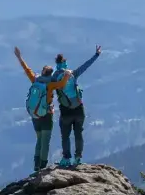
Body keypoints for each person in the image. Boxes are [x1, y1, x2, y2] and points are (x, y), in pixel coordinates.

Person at [14, 46, 70, 174]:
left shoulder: (35, 80)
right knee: (45, 141)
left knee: (39, 140)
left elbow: (26, 69)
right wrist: (66, 75)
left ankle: (36, 166)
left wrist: (19, 57)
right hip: (46, 116)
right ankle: (42, 167)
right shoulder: (50, 84)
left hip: (34, 116)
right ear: (50, 74)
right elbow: (61, 85)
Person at [52, 45, 102, 168]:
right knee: (78, 134)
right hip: (79, 109)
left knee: (65, 136)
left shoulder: (54, 77)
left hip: (65, 111)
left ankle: (66, 159)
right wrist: (96, 55)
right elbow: (86, 66)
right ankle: (78, 158)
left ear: (56, 64)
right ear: (65, 63)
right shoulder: (72, 74)